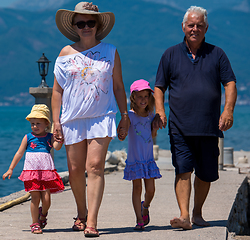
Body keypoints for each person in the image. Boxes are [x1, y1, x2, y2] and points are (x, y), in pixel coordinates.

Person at [154, 6, 237, 230]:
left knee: (206, 173)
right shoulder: (170, 54)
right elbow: (159, 87)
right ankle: (184, 216)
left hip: (209, 125)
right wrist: (160, 111)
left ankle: (197, 213)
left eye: (199, 25)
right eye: (191, 25)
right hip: (179, 125)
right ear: (183, 27)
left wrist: (228, 110)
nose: (195, 29)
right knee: (183, 169)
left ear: (206, 28)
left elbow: (229, 83)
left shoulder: (217, 54)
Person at [53, 1, 129, 237]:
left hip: (101, 117)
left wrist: (124, 115)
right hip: (72, 119)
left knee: (94, 167)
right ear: (75, 26)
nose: (86, 27)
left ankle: (92, 222)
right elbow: (57, 91)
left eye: (90, 22)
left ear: (97, 25)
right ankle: (81, 212)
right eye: (81, 23)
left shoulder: (111, 52)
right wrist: (56, 121)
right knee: (75, 169)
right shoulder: (65, 54)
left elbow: (118, 87)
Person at [2, 104, 64, 234]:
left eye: (38, 123)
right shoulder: (28, 137)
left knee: (46, 200)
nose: (34, 126)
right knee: (35, 199)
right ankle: (35, 223)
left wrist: (60, 138)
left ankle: (43, 214)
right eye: (32, 123)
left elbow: (57, 147)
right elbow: (19, 153)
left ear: (47, 124)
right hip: (31, 173)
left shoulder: (49, 137)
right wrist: (10, 168)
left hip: (46, 173)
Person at [123, 79, 162, 231]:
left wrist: (156, 125)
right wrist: (121, 131)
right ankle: (139, 219)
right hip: (135, 160)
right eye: (140, 96)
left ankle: (145, 206)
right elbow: (124, 131)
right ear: (133, 98)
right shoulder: (130, 117)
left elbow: (152, 136)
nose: (143, 100)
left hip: (148, 160)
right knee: (137, 188)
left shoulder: (151, 116)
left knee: (151, 190)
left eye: (146, 96)